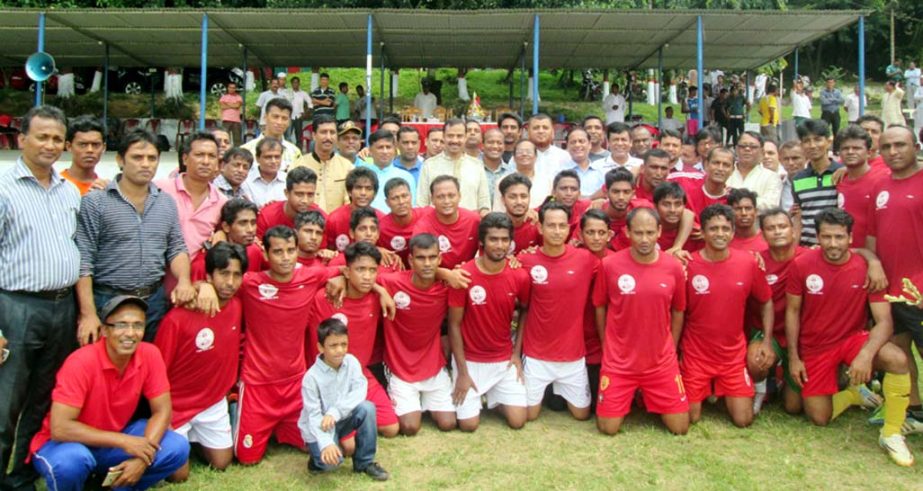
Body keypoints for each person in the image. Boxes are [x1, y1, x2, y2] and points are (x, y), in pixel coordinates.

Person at [786, 208, 913, 466]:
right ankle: (855, 394)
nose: (833, 244)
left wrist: (865, 355)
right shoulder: (802, 265)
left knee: (897, 359)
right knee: (819, 418)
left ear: (850, 237)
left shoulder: (866, 268)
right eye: (827, 237)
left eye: (839, 237)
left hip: (852, 340)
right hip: (815, 348)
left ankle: (891, 433)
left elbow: (884, 322)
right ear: (818, 237)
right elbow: (793, 312)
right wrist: (794, 358)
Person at [0, 106, 81, 490]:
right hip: (16, 307)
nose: (50, 145)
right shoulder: (4, 188)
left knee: (43, 397)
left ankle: (22, 477)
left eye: (56, 139)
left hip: (62, 307)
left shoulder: (68, 190)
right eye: (41, 136)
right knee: (6, 402)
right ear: (22, 140)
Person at [29, 295, 189, 490]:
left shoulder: (150, 354)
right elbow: (60, 428)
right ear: (104, 330)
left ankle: (114, 486)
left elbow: (162, 411)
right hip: (62, 443)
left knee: (177, 446)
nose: (130, 333)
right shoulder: (80, 362)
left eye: (138, 325)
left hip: (113, 438)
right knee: (72, 461)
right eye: (121, 325)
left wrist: (143, 458)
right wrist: (125, 441)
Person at [76, 130, 195, 344]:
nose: (145, 164)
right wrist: (88, 314)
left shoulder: (165, 202)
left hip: (153, 301)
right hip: (108, 300)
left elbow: (176, 248)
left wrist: (184, 281)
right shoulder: (96, 202)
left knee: (145, 365)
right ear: (120, 160)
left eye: (152, 158)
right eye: (137, 157)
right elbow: (84, 262)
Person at [233, 226, 339, 465]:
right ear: (266, 254)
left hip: (295, 384)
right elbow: (220, 284)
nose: (286, 257)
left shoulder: (311, 276)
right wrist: (204, 286)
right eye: (278, 252)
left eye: (291, 250)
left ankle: (281, 427)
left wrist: (367, 286)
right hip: (258, 384)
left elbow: (342, 270)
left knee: (313, 446)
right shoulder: (249, 283)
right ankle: (235, 409)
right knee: (247, 459)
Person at [593, 207, 690, 435]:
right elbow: (600, 307)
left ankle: (646, 396)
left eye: (649, 232)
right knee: (608, 428)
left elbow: (678, 310)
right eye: (638, 233)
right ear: (627, 232)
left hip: (660, 362)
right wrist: (606, 346)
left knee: (680, 428)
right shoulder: (609, 265)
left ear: (659, 231)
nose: (644, 239)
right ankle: (632, 396)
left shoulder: (673, 266)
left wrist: (671, 347)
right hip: (619, 362)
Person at [154, 243, 245, 480]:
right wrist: (163, 413)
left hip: (212, 402)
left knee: (222, 462)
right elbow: (157, 372)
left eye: (236, 275)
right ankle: (177, 438)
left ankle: (192, 440)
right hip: (176, 406)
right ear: (208, 276)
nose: (230, 282)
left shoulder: (236, 306)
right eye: (224, 274)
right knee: (178, 476)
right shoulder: (178, 317)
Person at [681, 204, 772, 427]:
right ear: (702, 232)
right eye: (713, 228)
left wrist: (767, 341)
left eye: (725, 228)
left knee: (743, 420)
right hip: (696, 355)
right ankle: (710, 390)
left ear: (733, 232)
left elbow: (766, 301)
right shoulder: (688, 264)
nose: (719, 234)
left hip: (732, 355)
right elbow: (677, 312)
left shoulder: (748, 262)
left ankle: (720, 391)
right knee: (689, 419)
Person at [305, 243, 400, 438]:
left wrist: (381, 290)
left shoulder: (376, 296)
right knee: (348, 446)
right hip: (328, 379)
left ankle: (351, 420)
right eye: (360, 270)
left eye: (372, 270)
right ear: (347, 272)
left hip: (358, 375)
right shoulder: (326, 297)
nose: (367, 276)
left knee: (391, 428)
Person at [515, 202, 597, 422]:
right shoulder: (525, 260)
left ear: (570, 228)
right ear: (540, 228)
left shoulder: (585, 259)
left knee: (581, 415)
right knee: (528, 417)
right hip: (536, 354)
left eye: (562, 225)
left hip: (572, 355)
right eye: (551, 225)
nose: (557, 231)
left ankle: (556, 392)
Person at [448, 213, 530, 431]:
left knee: (518, 421)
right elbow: (454, 325)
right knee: (468, 425)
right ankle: (471, 391)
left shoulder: (519, 276)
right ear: (482, 242)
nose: (500, 245)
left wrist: (516, 354)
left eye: (505, 240)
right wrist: (463, 373)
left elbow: (525, 310)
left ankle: (492, 396)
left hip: (503, 360)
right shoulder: (463, 275)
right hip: (470, 361)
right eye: (493, 239)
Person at [866, 125, 923, 433]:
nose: (893, 151)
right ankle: (915, 413)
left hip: (920, 290)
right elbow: (874, 234)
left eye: (900, 145)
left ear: (915, 146)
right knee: (900, 353)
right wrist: (873, 262)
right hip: (890, 291)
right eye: (886, 146)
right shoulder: (880, 185)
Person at [377, 234, 458, 435]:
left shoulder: (447, 286)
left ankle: (425, 399)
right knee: (410, 427)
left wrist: (446, 274)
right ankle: (409, 400)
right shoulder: (391, 282)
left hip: (432, 363)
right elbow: (358, 276)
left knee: (448, 424)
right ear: (410, 260)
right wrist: (380, 290)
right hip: (399, 365)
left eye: (432, 257)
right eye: (421, 258)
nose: (427, 263)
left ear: (440, 259)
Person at [299, 318, 390, 480]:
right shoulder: (311, 378)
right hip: (320, 427)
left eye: (344, 344)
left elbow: (359, 391)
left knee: (367, 408)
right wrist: (327, 443)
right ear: (320, 347)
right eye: (333, 346)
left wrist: (335, 413)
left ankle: (365, 462)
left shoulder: (352, 362)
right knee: (330, 465)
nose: (340, 350)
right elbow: (313, 416)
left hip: (341, 419)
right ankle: (316, 461)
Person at [156, 132, 227, 261]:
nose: (206, 161)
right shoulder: (160, 189)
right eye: (199, 155)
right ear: (185, 159)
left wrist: (221, 233)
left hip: (196, 277)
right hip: (156, 274)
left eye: (212, 156)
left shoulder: (222, 202)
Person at [417, 119, 491, 214]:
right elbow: (422, 203)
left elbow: (484, 201)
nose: (455, 140)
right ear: (443, 137)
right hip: (437, 225)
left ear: (465, 137)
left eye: (459, 136)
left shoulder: (477, 165)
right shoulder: (429, 165)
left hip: (470, 225)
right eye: (450, 136)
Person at [835, 125, 890, 248]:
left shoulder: (883, 180)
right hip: (848, 256)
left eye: (856, 148)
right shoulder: (839, 180)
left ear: (869, 153)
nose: (850, 152)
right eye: (845, 148)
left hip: (877, 257)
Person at [290, 114, 355, 213]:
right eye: (323, 132)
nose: (328, 137)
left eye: (332, 132)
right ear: (314, 135)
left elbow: (350, 203)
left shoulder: (348, 167)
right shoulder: (298, 165)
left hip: (337, 225)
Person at [413, 176, 481, 269]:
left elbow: (486, 255)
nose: (446, 201)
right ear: (432, 199)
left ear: (459, 196)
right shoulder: (423, 227)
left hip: (468, 273)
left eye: (451, 196)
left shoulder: (474, 221)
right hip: (433, 277)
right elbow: (419, 265)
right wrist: (447, 274)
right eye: (440, 197)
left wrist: (469, 267)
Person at [792, 119, 841, 245]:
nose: (812, 145)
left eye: (818, 139)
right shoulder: (798, 179)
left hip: (835, 246)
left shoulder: (841, 173)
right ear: (801, 145)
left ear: (829, 141)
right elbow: (799, 217)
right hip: (806, 248)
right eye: (806, 141)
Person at [255, 166, 324, 240]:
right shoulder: (267, 216)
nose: (305, 200)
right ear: (287, 193)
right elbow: (259, 248)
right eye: (299, 194)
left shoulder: (322, 218)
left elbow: (324, 250)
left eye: (310, 195)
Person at [357, 130, 416, 213]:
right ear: (370, 150)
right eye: (380, 147)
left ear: (395, 150)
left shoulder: (406, 177)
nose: (385, 152)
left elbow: (411, 208)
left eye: (388, 147)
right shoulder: (361, 174)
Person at [326, 167, 380, 252]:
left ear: (375, 193)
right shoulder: (334, 219)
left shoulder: (381, 218)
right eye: (358, 188)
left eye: (368, 188)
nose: (363, 193)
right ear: (349, 192)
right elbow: (327, 251)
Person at [378, 178, 429, 264]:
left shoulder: (427, 215)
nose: (401, 202)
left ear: (411, 196)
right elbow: (364, 246)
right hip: (395, 272)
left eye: (404, 196)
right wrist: (377, 249)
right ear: (387, 202)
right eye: (395, 198)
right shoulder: (381, 227)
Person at [241, 98, 302, 170]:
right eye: (275, 117)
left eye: (284, 118)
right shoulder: (246, 150)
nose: (279, 122)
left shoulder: (295, 152)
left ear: (289, 122)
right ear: (265, 117)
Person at [727, 131, 782, 209]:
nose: (747, 149)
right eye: (743, 146)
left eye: (753, 147)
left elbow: (770, 205)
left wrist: (733, 199)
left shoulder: (771, 177)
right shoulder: (725, 172)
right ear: (736, 149)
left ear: (762, 151)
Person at [492, 140, 553, 210]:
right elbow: (498, 210)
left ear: (536, 157)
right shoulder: (502, 182)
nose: (524, 154)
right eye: (520, 152)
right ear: (514, 158)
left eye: (528, 152)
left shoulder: (548, 181)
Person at [678, 146, 734, 216]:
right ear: (706, 165)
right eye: (716, 163)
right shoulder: (686, 184)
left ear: (732, 170)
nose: (720, 168)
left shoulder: (733, 200)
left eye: (726, 165)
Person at [62, 115, 105, 196]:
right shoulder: (56, 185)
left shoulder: (104, 188)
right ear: (69, 146)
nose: (90, 150)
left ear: (104, 147)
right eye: (83, 144)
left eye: (95, 145)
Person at [499, 173, 540, 254]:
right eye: (512, 197)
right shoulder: (494, 227)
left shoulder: (538, 225)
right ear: (503, 200)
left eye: (524, 196)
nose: (519, 202)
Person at [241, 137, 287, 208]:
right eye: (268, 157)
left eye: (277, 157)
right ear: (257, 158)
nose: (273, 161)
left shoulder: (288, 180)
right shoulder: (245, 181)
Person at [562, 127, 605, 197]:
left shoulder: (602, 171)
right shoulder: (560, 171)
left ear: (590, 145)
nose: (577, 145)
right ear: (567, 146)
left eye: (581, 141)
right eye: (573, 142)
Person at [728, 188, 768, 253]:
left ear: (756, 212)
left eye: (748, 208)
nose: (744, 213)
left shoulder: (768, 239)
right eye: (738, 209)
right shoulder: (725, 242)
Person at [482, 128, 511, 206]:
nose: (495, 146)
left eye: (499, 143)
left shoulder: (510, 172)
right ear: (483, 145)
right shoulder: (473, 170)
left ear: (504, 147)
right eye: (490, 142)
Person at [778, 141, 806, 211]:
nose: (791, 163)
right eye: (786, 159)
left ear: (806, 158)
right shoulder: (778, 184)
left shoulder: (814, 180)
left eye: (795, 158)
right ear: (780, 160)